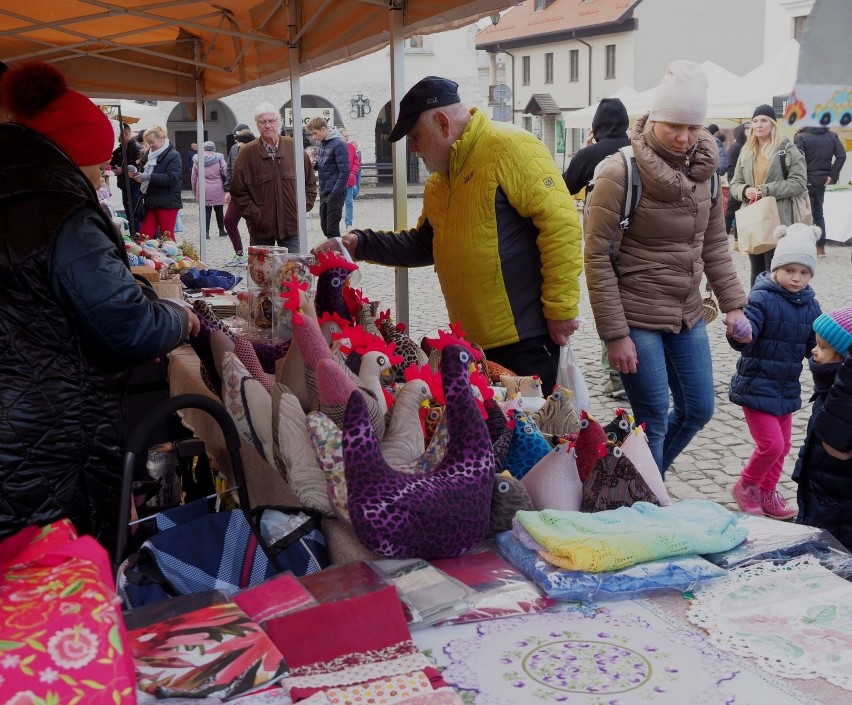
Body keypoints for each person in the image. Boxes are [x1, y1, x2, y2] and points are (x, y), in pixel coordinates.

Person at [0, 61, 199, 550]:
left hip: (21, 426)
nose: (105, 171)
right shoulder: (61, 209)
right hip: (46, 436)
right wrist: (179, 316)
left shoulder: (19, 193)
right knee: (63, 578)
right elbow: (126, 326)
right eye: (101, 161)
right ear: (76, 153)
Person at [313, 76, 583, 392]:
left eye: (415, 136)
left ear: (443, 123)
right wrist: (360, 243)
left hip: (527, 338)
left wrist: (561, 310)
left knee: (534, 430)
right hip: (475, 343)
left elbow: (559, 225)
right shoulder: (439, 183)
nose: (412, 148)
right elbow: (424, 243)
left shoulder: (511, 146)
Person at [584, 60, 749, 476]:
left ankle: (640, 482)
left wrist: (734, 304)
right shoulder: (619, 171)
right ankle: (651, 512)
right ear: (653, 119)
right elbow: (597, 258)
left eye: (693, 127)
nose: (683, 137)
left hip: (686, 312)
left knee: (698, 409)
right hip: (636, 315)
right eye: (673, 125)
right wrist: (615, 336)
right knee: (653, 419)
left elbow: (714, 245)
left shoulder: (708, 175)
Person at [728, 224, 822, 519]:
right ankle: (746, 486)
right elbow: (747, 332)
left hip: (785, 389)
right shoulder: (762, 297)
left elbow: (814, 343)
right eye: (790, 270)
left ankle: (768, 493)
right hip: (756, 386)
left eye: (804, 272)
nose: (796, 278)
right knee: (771, 444)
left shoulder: (811, 304)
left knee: (784, 448)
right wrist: (741, 332)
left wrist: (828, 357)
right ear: (776, 268)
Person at [562, 97, 632, 401]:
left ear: (597, 125)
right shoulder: (639, 149)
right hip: (641, 239)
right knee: (634, 302)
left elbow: (563, 188)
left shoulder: (590, 154)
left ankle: (617, 377)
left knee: (609, 300)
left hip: (603, 237)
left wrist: (589, 148)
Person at [729, 104, 808, 288]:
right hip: (753, 217)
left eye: (764, 120)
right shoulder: (746, 151)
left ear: (772, 123)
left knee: (775, 268)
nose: (758, 125)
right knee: (756, 270)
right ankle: (756, 308)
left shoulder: (786, 149)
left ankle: (776, 310)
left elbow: (799, 182)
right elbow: (734, 183)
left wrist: (766, 189)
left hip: (778, 218)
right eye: (755, 121)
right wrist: (744, 190)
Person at [793, 305, 852, 548]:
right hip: (819, 492)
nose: (814, 351)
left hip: (838, 504)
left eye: (823, 347)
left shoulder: (841, 395)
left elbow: (834, 442)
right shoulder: (829, 387)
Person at [230, 103, 317, 251]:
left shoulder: (294, 148)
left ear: (279, 123)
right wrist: (256, 215)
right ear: (257, 126)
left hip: (292, 225)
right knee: (262, 272)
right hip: (261, 229)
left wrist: (301, 209)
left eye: (271, 121)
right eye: (263, 122)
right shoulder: (247, 154)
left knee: (294, 270)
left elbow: (309, 183)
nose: (267, 125)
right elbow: (238, 191)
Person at [794, 125, 846, 257]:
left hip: (804, 180)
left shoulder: (801, 136)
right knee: (818, 214)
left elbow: (797, 161)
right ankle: (820, 248)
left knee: (802, 214)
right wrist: (832, 176)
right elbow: (841, 156)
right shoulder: (832, 135)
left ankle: (804, 247)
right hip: (821, 180)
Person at [132, 124, 182, 242]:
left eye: (152, 142)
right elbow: (143, 172)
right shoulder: (148, 156)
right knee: (144, 237)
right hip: (151, 202)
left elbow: (172, 178)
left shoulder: (173, 155)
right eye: (147, 143)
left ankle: (174, 260)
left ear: (162, 138)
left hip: (167, 202)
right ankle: (149, 260)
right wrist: (138, 176)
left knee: (167, 239)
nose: (150, 146)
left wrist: (148, 176)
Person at [308, 116, 349, 239]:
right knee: (325, 228)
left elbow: (344, 171)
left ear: (323, 129)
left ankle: (340, 254)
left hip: (335, 192)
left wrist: (335, 193)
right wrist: (314, 164)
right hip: (324, 190)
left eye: (315, 133)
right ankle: (334, 253)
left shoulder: (339, 144)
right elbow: (323, 164)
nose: (314, 137)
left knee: (332, 230)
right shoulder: (320, 142)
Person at [222, 126, 254, 265]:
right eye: (236, 140)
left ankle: (254, 256)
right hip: (236, 193)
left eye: (240, 142)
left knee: (253, 226)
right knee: (229, 221)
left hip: (252, 195)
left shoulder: (255, 149)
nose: (238, 145)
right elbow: (229, 169)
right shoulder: (234, 149)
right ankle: (239, 252)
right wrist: (228, 190)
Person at [110, 122, 143, 231]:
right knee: (129, 214)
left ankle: (139, 237)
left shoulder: (137, 148)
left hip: (135, 186)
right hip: (125, 186)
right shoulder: (120, 150)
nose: (117, 138)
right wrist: (114, 167)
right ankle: (134, 236)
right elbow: (112, 162)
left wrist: (122, 171)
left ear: (126, 133)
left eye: (119, 135)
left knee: (136, 214)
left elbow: (138, 168)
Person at [191, 140, 228, 240]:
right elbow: (225, 170)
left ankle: (205, 233)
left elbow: (193, 177)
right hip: (217, 187)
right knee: (219, 209)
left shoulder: (197, 159)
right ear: (214, 148)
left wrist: (195, 191)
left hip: (203, 188)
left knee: (205, 211)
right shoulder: (219, 158)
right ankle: (221, 230)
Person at [724, 122, 750, 249]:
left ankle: (738, 241)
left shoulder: (749, 146)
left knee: (743, 214)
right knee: (731, 213)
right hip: (737, 185)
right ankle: (723, 239)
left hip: (747, 187)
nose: (750, 131)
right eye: (747, 129)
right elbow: (730, 167)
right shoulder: (735, 147)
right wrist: (734, 183)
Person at [340, 128, 361, 229]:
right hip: (338, 181)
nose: (347, 137)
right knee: (337, 204)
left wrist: (353, 173)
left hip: (349, 180)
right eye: (345, 135)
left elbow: (356, 161)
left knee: (349, 202)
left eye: (347, 135)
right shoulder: (335, 147)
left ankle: (349, 223)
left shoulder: (351, 147)